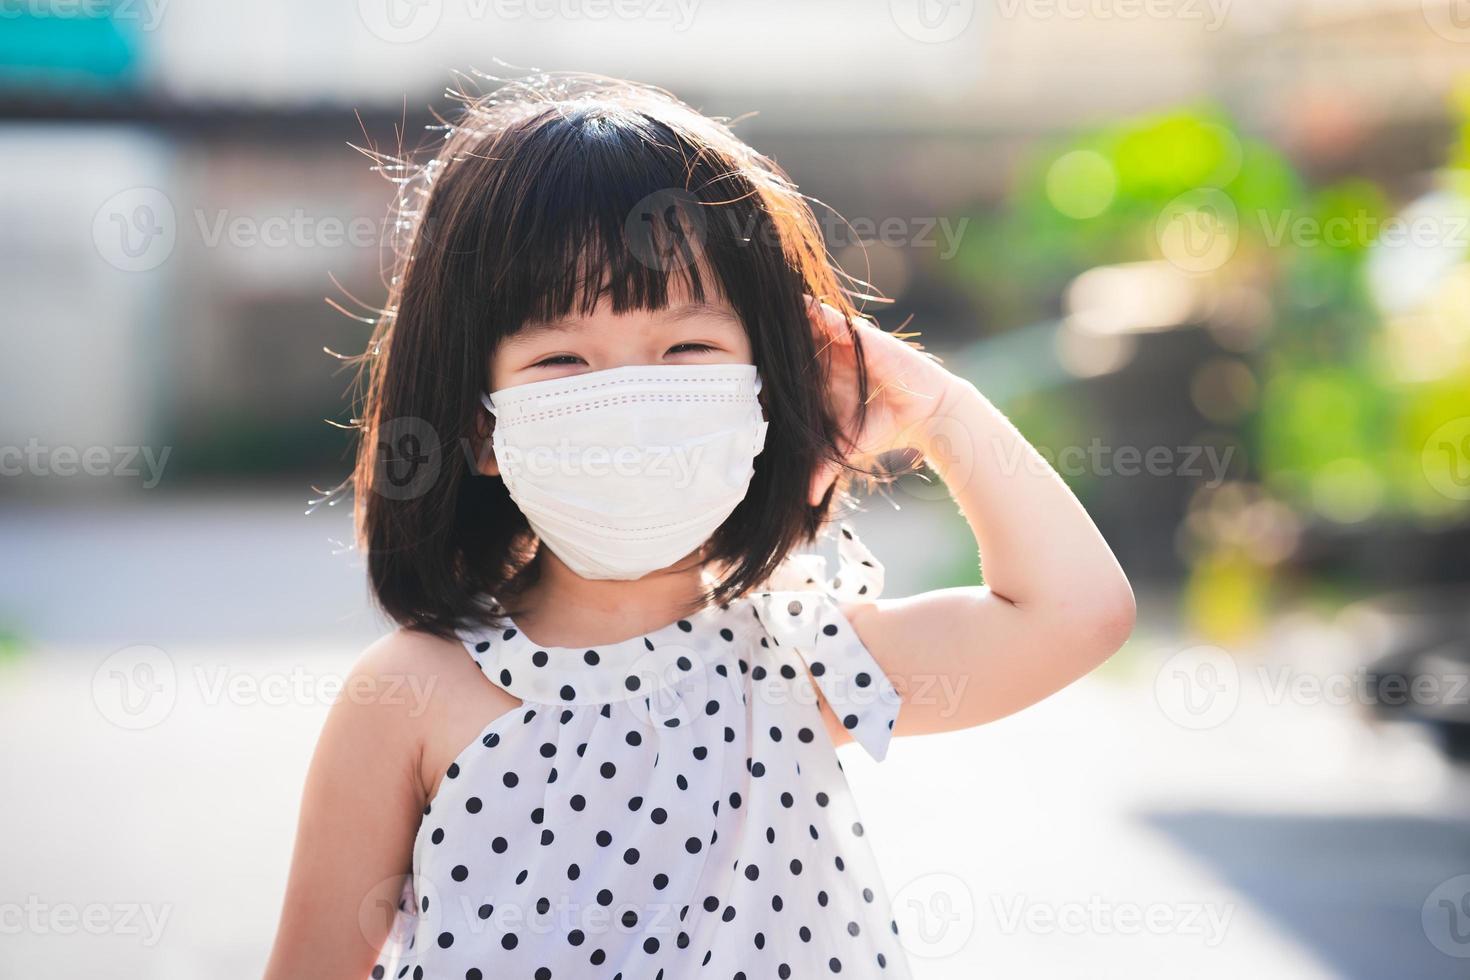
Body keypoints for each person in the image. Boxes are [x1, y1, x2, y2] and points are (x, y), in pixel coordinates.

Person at [265, 72, 1135, 980]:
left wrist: (933, 405)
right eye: (562, 358)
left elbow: (1076, 614)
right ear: (479, 427)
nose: (632, 404)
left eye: (689, 348)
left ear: (764, 391)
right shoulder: (410, 695)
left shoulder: (799, 654)